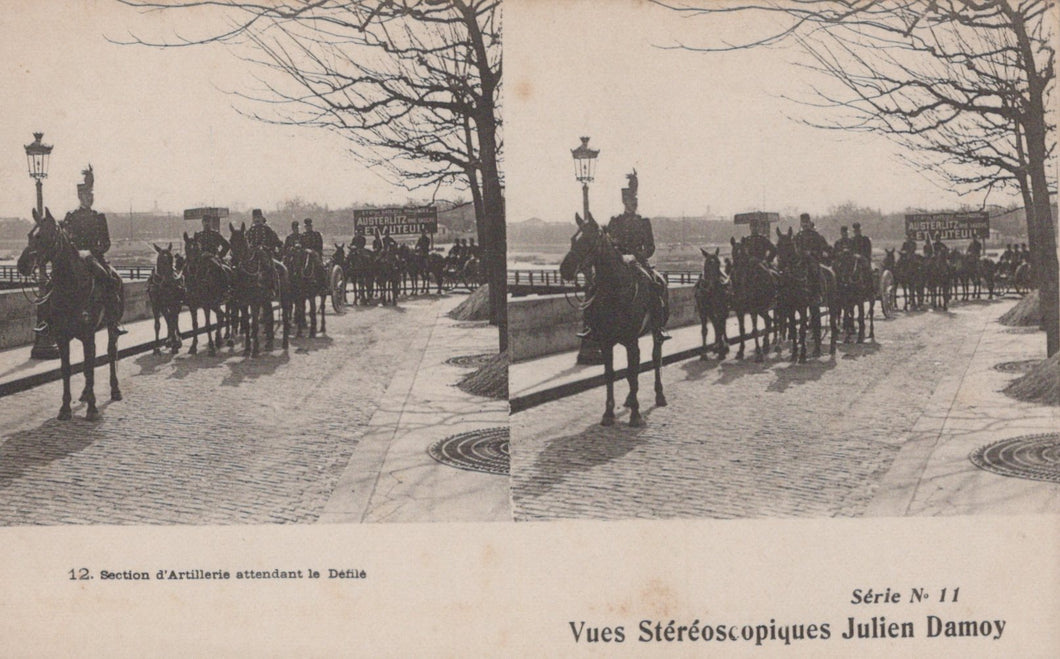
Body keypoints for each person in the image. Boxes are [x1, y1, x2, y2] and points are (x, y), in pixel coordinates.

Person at [585, 168, 669, 340]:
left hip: (637, 263)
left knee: (655, 285)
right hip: (618, 262)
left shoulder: (644, 222)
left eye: (635, 201)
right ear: (625, 202)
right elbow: (608, 243)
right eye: (631, 201)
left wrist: (637, 256)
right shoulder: (615, 221)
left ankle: (658, 327)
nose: (634, 204)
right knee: (595, 287)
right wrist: (619, 255)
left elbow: (650, 247)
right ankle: (592, 327)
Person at [46, 165, 126, 335]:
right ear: (80, 197)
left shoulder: (99, 217)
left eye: (91, 195)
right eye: (86, 196)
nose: (89, 198)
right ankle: (48, 321)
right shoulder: (71, 216)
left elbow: (106, 243)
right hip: (74, 257)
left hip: (94, 258)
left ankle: (114, 321)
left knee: (110, 280)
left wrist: (93, 251)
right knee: (51, 283)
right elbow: (64, 238)